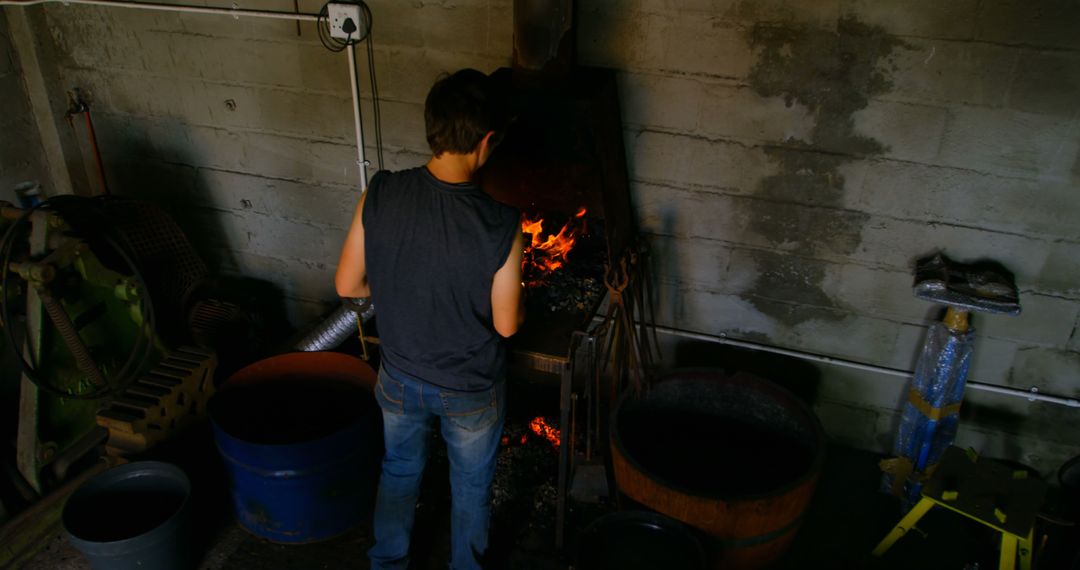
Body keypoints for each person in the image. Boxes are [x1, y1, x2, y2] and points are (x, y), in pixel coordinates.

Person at [334, 68, 525, 570]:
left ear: (433, 129)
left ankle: (387, 563)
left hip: (398, 376)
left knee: (399, 471)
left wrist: (399, 284)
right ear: (486, 141)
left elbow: (347, 285)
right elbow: (506, 326)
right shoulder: (502, 224)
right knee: (470, 490)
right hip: (469, 387)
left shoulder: (380, 192)